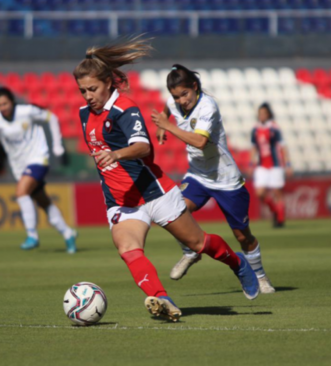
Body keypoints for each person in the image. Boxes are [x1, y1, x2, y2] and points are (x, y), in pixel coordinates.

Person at [74, 37, 260, 322]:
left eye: (92, 89)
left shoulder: (125, 108)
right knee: (128, 249)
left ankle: (237, 263)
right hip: (122, 201)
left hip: (154, 192)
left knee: (199, 244)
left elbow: (144, 147)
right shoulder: (84, 114)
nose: (87, 96)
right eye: (82, 90)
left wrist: (117, 154)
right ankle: (162, 300)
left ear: (109, 83)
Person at [151, 65, 275, 294]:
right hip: (198, 175)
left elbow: (199, 142)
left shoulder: (208, 106)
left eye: (184, 94)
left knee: (242, 235)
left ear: (194, 87)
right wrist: (163, 126)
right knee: (172, 210)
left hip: (225, 178)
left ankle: (261, 277)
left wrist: (167, 126)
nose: (180, 101)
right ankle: (190, 252)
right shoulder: (173, 102)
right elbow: (166, 109)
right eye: (176, 96)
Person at [0, 87, 77, 253]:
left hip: (38, 159)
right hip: (19, 166)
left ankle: (32, 235)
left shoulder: (26, 111)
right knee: (43, 201)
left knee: (21, 192)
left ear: (12, 102)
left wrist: (57, 145)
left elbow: (52, 117)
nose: (2, 108)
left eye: (5, 103)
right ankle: (68, 233)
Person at [250, 102, 293, 228]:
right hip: (262, 165)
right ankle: (274, 210)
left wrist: (288, 164)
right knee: (260, 193)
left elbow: (283, 147)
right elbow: (254, 148)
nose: (262, 116)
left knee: (277, 192)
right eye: (260, 113)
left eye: (264, 113)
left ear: (268, 114)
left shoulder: (274, 128)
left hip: (275, 165)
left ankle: (280, 220)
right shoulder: (255, 129)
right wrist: (251, 162)